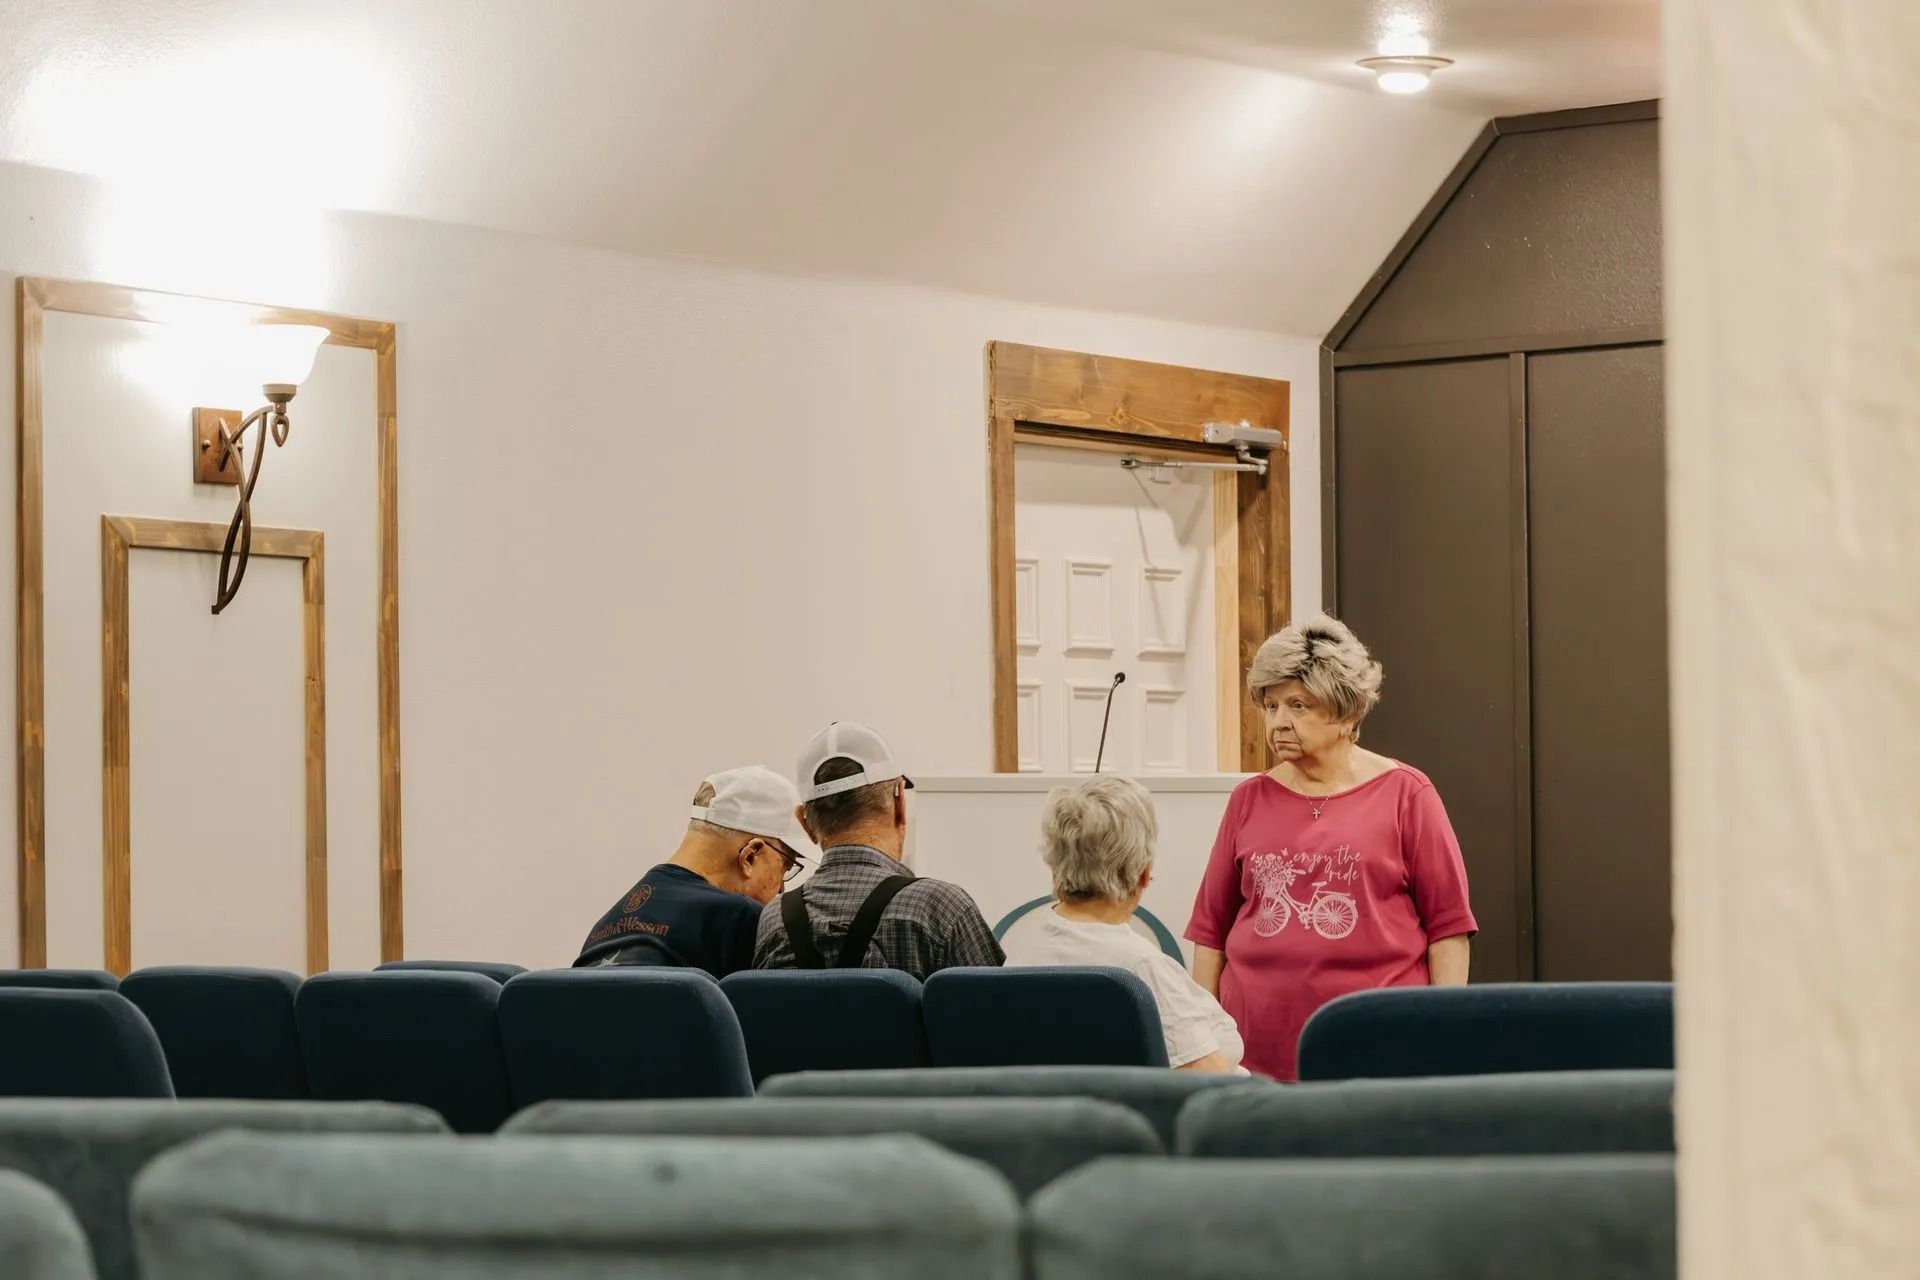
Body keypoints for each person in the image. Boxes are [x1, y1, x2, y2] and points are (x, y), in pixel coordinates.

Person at [1186, 614, 1477, 1081]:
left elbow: (1449, 928)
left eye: (1298, 706)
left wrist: (1441, 1030)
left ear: (1346, 712)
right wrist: (1201, 1042)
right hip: (1254, 1056)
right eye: (1271, 705)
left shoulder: (1407, 793)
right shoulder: (1248, 800)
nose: (1279, 722)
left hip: (1380, 1046)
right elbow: (1210, 933)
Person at [1003, 775, 1243, 1073]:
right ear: (1142, 875)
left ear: (1054, 866)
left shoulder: (1024, 946)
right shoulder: (1138, 968)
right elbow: (1209, 1076)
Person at [755, 722, 1004, 977]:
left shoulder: (774, 921)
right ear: (899, 802)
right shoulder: (942, 908)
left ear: (805, 822)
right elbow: (998, 1012)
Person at [575, 766, 811, 978]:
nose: (781, 888)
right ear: (750, 855)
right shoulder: (741, 917)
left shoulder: (604, 927)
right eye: (786, 867)